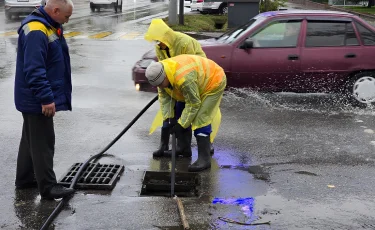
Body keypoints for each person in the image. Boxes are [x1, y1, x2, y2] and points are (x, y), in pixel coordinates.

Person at [14, 0, 75, 200]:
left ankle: (24, 180)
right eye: (66, 17)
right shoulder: (37, 30)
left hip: (31, 97)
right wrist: (46, 98)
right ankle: (48, 187)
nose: (66, 21)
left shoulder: (47, 25)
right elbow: (34, 69)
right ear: (55, 10)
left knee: (30, 139)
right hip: (36, 99)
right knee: (43, 142)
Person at [145, 54, 226, 172]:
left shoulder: (183, 78)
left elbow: (194, 103)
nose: (159, 87)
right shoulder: (160, 75)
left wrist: (181, 125)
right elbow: (165, 98)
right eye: (157, 85)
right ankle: (183, 149)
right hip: (195, 83)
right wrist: (170, 118)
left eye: (160, 84)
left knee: (200, 118)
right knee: (179, 111)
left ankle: (204, 159)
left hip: (213, 82)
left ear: (166, 77)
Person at [144, 18, 209, 158]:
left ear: (166, 36)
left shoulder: (184, 43)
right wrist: (165, 85)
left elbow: (192, 66)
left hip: (194, 78)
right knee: (169, 111)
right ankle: (175, 147)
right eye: (155, 41)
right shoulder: (159, 47)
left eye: (159, 40)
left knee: (196, 112)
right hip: (174, 79)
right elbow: (163, 67)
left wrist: (179, 85)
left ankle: (207, 146)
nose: (158, 44)